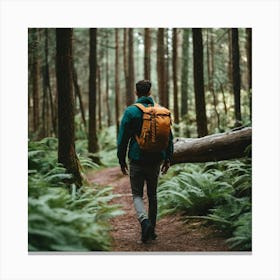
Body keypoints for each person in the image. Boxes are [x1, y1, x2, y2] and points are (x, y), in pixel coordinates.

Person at [117, 80, 174, 243]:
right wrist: (168, 158)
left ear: (136, 93)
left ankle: (144, 222)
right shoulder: (161, 111)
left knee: (137, 194)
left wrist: (121, 159)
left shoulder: (131, 112)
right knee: (153, 195)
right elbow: (169, 138)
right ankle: (152, 230)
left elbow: (122, 139)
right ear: (150, 93)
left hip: (137, 159)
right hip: (156, 159)